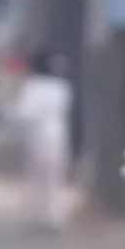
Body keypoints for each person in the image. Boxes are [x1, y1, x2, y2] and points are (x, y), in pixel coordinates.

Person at [15, 51, 74, 232]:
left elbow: (24, 113)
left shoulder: (33, 87)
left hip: (37, 137)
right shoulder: (62, 87)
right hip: (59, 136)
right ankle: (54, 217)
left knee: (37, 178)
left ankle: (38, 215)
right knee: (55, 178)